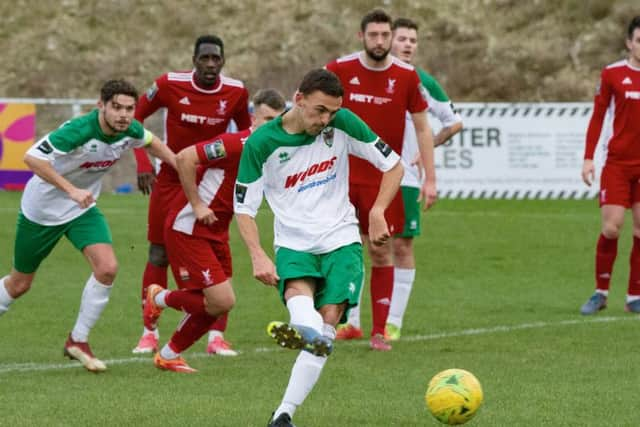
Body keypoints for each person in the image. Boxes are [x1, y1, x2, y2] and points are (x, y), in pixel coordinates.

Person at [234, 69, 403, 427]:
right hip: (293, 241)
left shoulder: (342, 123)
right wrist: (257, 254)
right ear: (298, 99)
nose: (326, 119)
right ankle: (302, 328)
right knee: (305, 304)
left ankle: (283, 412)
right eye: (320, 110)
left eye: (332, 112)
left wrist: (376, 211)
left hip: (341, 238)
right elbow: (244, 208)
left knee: (327, 322)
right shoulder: (262, 143)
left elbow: (394, 165)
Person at [0, 79, 176, 372]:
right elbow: (31, 158)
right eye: (116, 107)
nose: (123, 114)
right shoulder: (79, 130)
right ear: (101, 106)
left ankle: (78, 341)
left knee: (107, 268)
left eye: (129, 109)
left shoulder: (130, 129)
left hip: (82, 210)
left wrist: (181, 168)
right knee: (19, 284)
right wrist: (71, 190)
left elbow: (154, 144)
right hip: (42, 211)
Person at [147, 89, 286, 372]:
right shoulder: (236, 143)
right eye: (267, 119)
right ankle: (158, 297)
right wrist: (197, 205)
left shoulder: (272, 150)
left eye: (277, 120)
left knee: (218, 305)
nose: (272, 126)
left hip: (217, 231)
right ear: (252, 118)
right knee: (222, 300)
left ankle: (168, 355)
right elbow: (186, 158)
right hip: (190, 227)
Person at [132, 34, 251, 355]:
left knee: (216, 254)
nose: (211, 65)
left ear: (223, 61)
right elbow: (135, 117)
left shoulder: (236, 92)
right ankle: (149, 333)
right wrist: (143, 160)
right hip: (171, 178)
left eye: (216, 59)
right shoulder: (170, 84)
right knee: (159, 253)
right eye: (205, 59)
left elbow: (247, 136)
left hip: (210, 183)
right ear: (194, 60)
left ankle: (216, 337)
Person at [326, 9, 437, 351]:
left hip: (383, 180)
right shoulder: (339, 69)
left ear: (391, 36)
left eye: (385, 35)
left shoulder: (406, 76)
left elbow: (422, 127)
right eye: (373, 35)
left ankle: (379, 332)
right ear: (362, 36)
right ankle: (334, 322)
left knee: (381, 250)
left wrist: (430, 178)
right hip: (341, 177)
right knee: (335, 250)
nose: (379, 41)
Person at [385, 17, 463, 340]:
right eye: (402, 39)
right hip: (368, 174)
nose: (407, 45)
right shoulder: (372, 78)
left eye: (413, 41)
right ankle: (352, 321)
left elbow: (453, 122)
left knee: (401, 246)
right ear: (389, 41)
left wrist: (425, 149)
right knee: (360, 245)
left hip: (406, 178)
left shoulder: (422, 81)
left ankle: (394, 322)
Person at [580, 16, 640, 315]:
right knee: (613, 227)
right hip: (617, 163)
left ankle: (634, 296)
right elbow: (598, 117)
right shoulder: (612, 74)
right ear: (630, 43)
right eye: (639, 41)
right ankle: (600, 292)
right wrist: (589, 157)